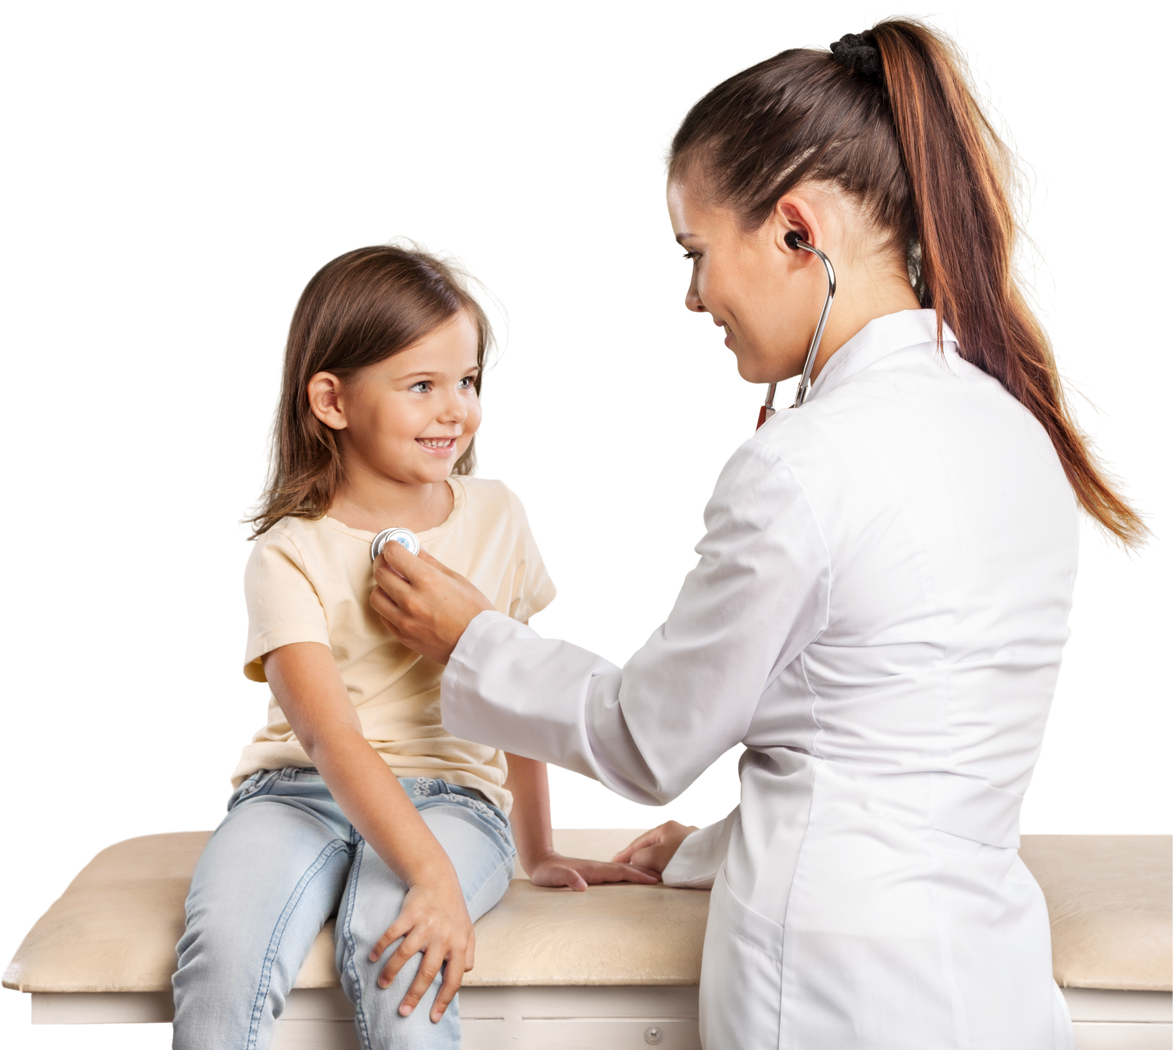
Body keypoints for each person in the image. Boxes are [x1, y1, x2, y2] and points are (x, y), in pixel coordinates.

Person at [365, 17, 1158, 1050]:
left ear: (795, 230)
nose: (691, 297)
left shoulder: (801, 462)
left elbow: (648, 741)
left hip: (827, 985)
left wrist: (470, 638)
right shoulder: (1012, 429)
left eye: (694, 254)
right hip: (984, 978)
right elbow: (898, 731)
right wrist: (710, 846)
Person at [169, 238, 660, 1050]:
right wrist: (428, 870)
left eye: (466, 382)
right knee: (224, 950)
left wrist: (534, 848)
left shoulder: (499, 512)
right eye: (421, 385)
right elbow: (329, 736)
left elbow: (519, 687)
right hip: (294, 791)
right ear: (331, 400)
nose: (455, 410)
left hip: (454, 798)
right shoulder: (285, 554)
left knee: (391, 945)